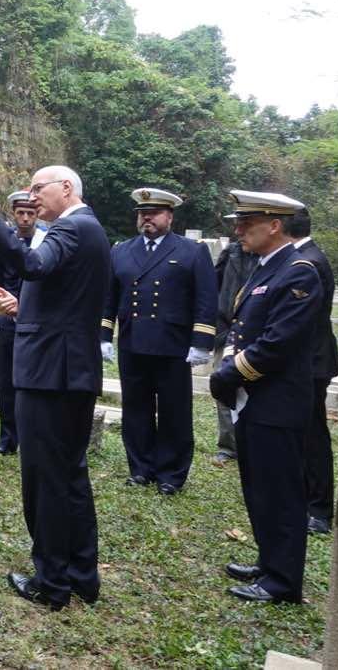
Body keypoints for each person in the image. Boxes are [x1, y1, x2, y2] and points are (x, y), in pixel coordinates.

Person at [0, 167, 109, 611]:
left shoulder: (72, 227)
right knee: (70, 475)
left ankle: (52, 582)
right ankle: (81, 575)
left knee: (46, 480)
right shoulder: (86, 229)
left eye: (40, 188)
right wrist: (24, 309)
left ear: (67, 188)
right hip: (67, 370)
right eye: (31, 189)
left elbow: (32, 264)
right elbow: (61, 294)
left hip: (51, 375)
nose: (33, 196)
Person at [209, 190, 322, 604]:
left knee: (281, 492)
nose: (238, 230)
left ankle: (282, 581)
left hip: (277, 400)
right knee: (260, 487)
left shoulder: (300, 270)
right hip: (255, 398)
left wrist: (229, 373)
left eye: (246, 223)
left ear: (275, 225)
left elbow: (277, 344)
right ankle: (270, 560)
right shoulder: (268, 266)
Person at [99, 188, 217, 495]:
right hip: (132, 343)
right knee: (135, 409)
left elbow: (206, 299)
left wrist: (202, 341)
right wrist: (104, 335)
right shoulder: (121, 250)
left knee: (173, 412)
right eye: (142, 213)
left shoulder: (192, 251)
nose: (146, 218)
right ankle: (140, 468)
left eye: (153, 213)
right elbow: (108, 297)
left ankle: (171, 474)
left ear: (170, 216)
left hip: (173, 345)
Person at [285, 209, 338, 535]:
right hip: (309, 359)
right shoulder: (305, 256)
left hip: (312, 361)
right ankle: (307, 498)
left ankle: (319, 509)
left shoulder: (309, 262)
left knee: (312, 435)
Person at [0, 190, 40, 455]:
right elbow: (1, 280)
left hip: (36, 321)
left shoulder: (46, 241)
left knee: (32, 382)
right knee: (6, 380)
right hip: (9, 320)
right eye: (20, 213)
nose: (25, 218)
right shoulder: (5, 243)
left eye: (30, 213)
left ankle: (32, 436)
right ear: (14, 214)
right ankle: (7, 438)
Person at [210, 240, 258, 465]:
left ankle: (255, 445)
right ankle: (228, 445)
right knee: (223, 385)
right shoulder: (231, 252)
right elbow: (214, 285)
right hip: (227, 329)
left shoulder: (274, 256)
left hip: (257, 333)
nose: (240, 231)